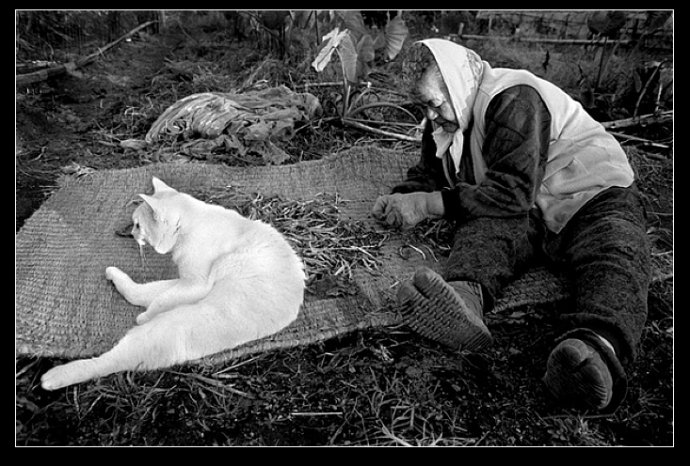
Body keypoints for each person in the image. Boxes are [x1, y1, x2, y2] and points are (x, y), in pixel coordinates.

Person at [372, 39, 651, 412]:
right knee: (483, 227)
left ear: (459, 82)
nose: (430, 115)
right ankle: (463, 301)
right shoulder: (445, 117)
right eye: (423, 105)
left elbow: (512, 190)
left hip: (589, 193)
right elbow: (429, 171)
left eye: (434, 102)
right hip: (530, 209)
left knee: (616, 253)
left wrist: (426, 204)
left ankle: (594, 351)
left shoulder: (514, 97)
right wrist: (401, 197)